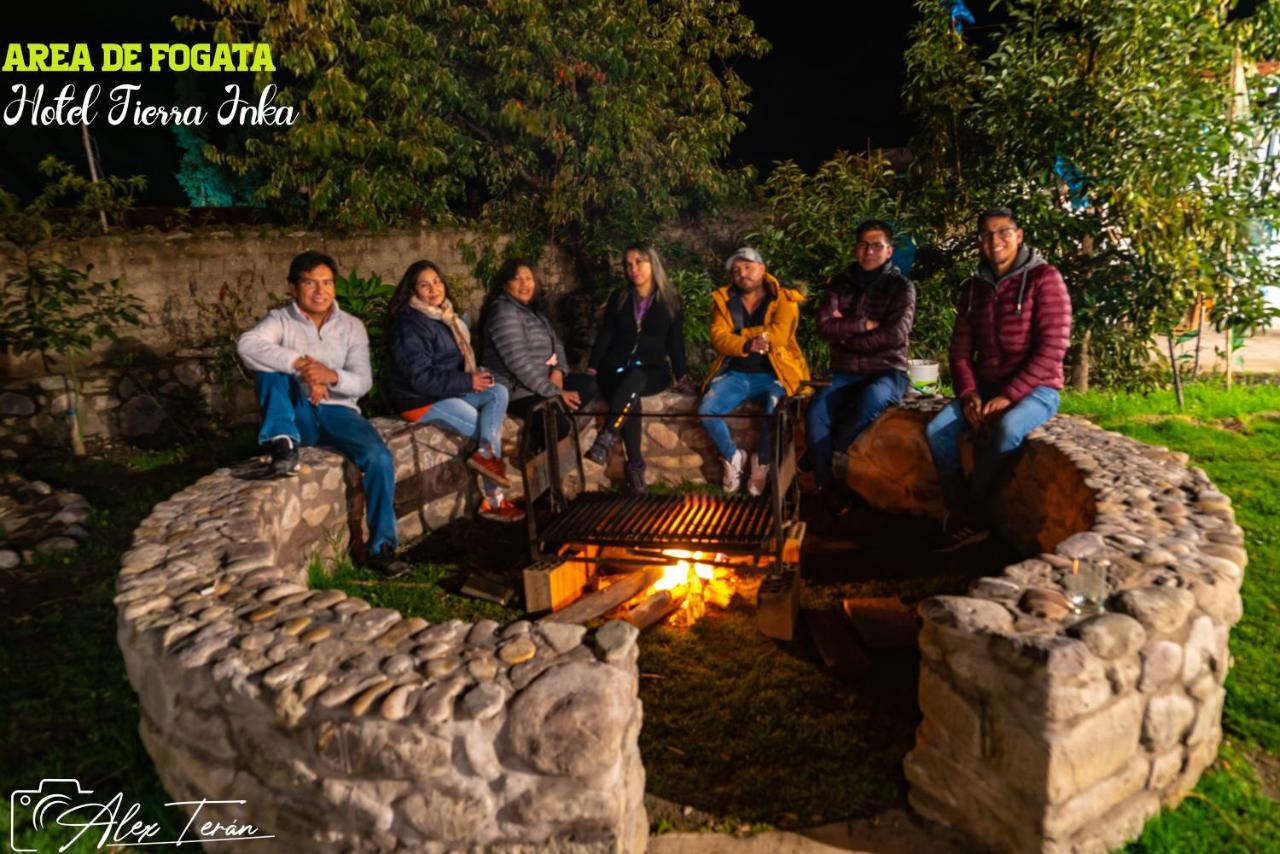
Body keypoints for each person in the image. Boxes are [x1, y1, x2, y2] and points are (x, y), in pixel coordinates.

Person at [237, 250, 410, 577]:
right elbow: (247, 345)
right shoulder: (280, 320)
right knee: (267, 365)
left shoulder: (351, 327)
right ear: (292, 288)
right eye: (310, 283)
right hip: (297, 409)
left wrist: (330, 376)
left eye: (327, 282)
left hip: (338, 412)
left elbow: (363, 382)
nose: (321, 290)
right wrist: (302, 366)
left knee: (379, 457)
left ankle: (382, 548)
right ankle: (282, 439)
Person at [925, 206, 1072, 551]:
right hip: (986, 386)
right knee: (936, 431)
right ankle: (961, 511)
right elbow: (959, 351)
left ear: (1018, 236)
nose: (996, 240)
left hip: (1038, 389)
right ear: (980, 243)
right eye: (987, 234)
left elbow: (1053, 347)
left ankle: (978, 517)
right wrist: (969, 394)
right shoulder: (973, 289)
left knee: (1006, 430)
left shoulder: (1045, 279)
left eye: (1003, 231)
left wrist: (1010, 395)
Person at [385, 260, 525, 523]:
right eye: (424, 285)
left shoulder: (444, 316)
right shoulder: (409, 325)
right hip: (419, 399)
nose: (434, 289)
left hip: (446, 389)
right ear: (412, 291)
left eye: (436, 281)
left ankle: (485, 456)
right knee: (482, 427)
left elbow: (449, 363)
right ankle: (493, 500)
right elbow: (420, 378)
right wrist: (466, 381)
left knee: (499, 392)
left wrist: (473, 375)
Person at [808, 220, 916, 516]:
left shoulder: (901, 287)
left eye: (877, 245)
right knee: (817, 411)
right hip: (843, 369)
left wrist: (846, 336)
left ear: (889, 250)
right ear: (856, 248)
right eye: (863, 245)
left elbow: (895, 335)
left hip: (887, 369)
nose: (869, 251)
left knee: (873, 399)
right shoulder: (840, 283)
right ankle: (827, 490)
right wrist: (863, 325)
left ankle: (831, 455)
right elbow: (823, 326)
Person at [698, 247, 810, 496]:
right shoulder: (723, 300)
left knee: (775, 409)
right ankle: (733, 457)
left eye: (748, 267)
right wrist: (748, 343)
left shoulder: (784, 298)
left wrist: (739, 336)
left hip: (774, 373)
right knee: (707, 410)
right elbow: (719, 339)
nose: (742, 274)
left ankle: (762, 462)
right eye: (736, 270)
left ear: (761, 268)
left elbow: (779, 336)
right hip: (735, 374)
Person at [583, 244, 688, 495]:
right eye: (628, 264)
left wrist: (682, 375)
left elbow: (675, 341)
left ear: (653, 264)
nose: (634, 269)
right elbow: (606, 334)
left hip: (652, 371)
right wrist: (593, 367)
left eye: (639, 262)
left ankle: (607, 436)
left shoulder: (670, 301)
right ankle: (636, 471)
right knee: (631, 399)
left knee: (636, 379)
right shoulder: (619, 298)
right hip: (615, 367)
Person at [479, 258, 596, 440]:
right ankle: (533, 453)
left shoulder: (534, 313)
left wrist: (557, 372)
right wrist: (555, 392)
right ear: (505, 284)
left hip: (542, 384)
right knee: (557, 425)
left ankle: (554, 412)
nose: (525, 284)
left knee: (590, 384)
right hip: (518, 392)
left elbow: (557, 344)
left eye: (529, 278)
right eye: (517, 279)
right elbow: (519, 363)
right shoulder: (503, 312)